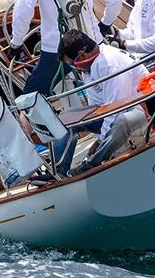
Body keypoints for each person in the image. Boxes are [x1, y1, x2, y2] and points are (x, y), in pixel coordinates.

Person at [7, 0, 123, 96]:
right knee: (107, 86)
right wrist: (104, 25)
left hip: (56, 51)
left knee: (30, 99)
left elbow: (23, 10)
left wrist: (16, 43)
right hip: (93, 42)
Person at [50, 29, 148, 177]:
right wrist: (99, 139)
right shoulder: (89, 69)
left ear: (82, 56)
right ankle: (59, 171)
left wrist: (100, 142)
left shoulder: (109, 64)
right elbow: (98, 110)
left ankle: (90, 165)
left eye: (72, 64)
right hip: (117, 110)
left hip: (143, 109)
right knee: (66, 117)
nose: (74, 68)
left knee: (122, 121)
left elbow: (116, 108)